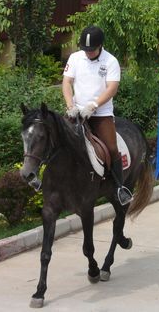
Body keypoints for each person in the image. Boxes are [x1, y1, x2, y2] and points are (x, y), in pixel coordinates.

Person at [62, 26, 133, 206]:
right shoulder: (75, 58)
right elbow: (66, 82)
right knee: (56, 139)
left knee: (110, 148)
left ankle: (119, 187)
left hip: (101, 113)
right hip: (77, 112)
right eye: (85, 50)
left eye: (91, 50)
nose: (88, 53)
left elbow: (112, 88)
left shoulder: (111, 61)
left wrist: (94, 105)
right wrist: (70, 105)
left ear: (100, 46)